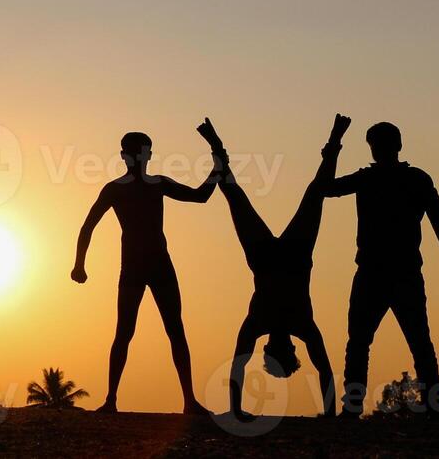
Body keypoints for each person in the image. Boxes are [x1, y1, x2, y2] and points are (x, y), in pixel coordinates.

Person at [197, 115, 346, 420]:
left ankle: (217, 147)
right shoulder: (299, 324)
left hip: (269, 257)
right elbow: (324, 368)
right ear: (289, 349)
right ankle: (333, 141)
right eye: (284, 351)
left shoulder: (262, 322)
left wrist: (238, 411)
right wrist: (329, 414)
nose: (279, 346)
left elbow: (239, 364)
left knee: (235, 194)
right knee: (312, 193)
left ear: (271, 349)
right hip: (291, 256)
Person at [319, 121, 439, 417]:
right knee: (380, 341)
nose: (378, 151)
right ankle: (423, 406)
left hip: (393, 273)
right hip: (385, 272)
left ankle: (423, 406)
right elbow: (327, 189)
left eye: (379, 145)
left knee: (390, 341)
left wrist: (334, 143)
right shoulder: (399, 179)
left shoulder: (401, 179)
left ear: (394, 146)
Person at [71, 130, 219, 415]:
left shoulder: (156, 184)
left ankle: (189, 400)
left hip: (159, 264)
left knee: (174, 329)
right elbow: (87, 226)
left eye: (148, 151)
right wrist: (79, 264)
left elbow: (200, 197)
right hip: (134, 268)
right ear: (129, 155)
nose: (146, 156)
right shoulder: (116, 189)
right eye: (143, 151)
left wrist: (217, 169)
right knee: (125, 332)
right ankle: (111, 399)